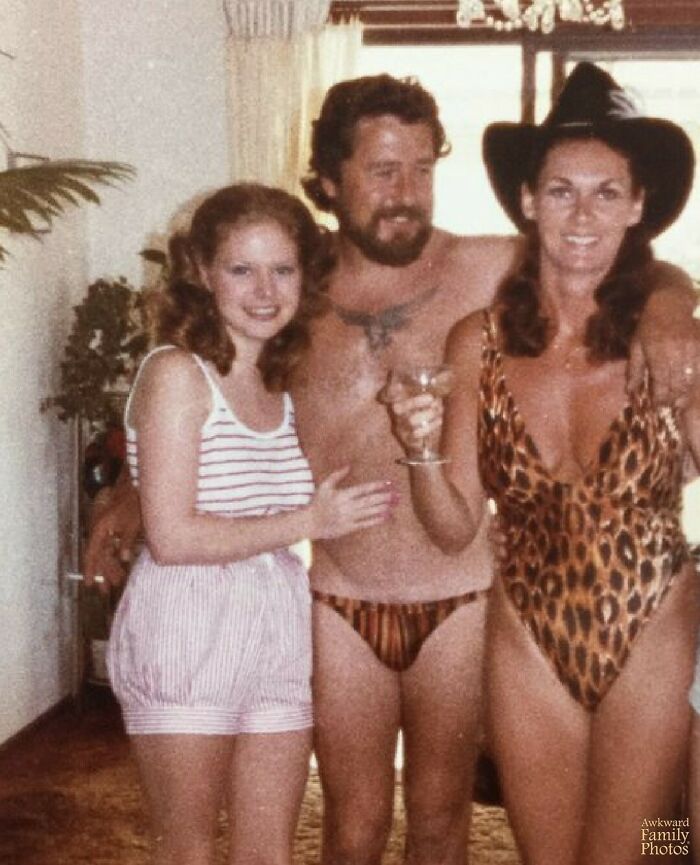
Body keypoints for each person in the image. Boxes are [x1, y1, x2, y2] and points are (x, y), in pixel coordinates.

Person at [87, 75, 698, 865]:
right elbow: (220, 394)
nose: (406, 193)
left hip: (477, 599)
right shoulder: (293, 294)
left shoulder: (491, 267)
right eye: (382, 170)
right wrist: (142, 486)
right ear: (330, 183)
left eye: (421, 167)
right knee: (356, 824)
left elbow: (619, 257)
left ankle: (671, 850)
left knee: (617, 832)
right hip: (346, 599)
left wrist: (674, 307)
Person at [388, 62, 700, 865]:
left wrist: (683, 316)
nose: (583, 214)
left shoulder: (675, 341)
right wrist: (420, 449)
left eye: (607, 191)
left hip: (654, 626)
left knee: (645, 851)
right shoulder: (476, 342)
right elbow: (455, 523)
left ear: (638, 206)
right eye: (561, 190)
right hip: (526, 634)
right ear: (529, 201)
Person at [105, 183, 395, 865]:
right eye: (242, 269)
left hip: (276, 618)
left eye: (283, 269)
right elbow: (173, 538)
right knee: (190, 851)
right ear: (203, 273)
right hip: (186, 622)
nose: (265, 290)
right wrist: (311, 519)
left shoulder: (282, 377)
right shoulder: (177, 373)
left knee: (269, 853)